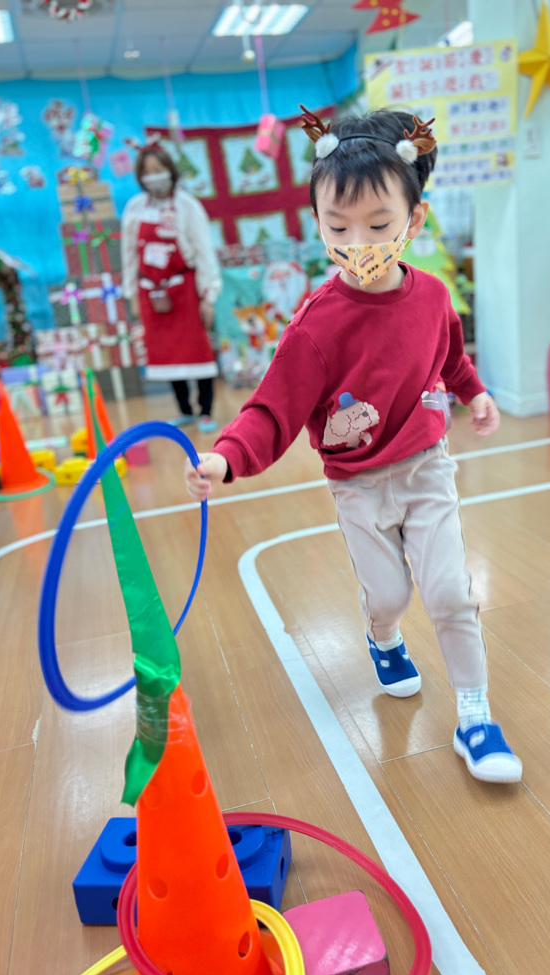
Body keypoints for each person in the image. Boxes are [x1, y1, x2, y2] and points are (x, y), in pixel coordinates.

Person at [184, 107, 522, 784]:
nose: (357, 242)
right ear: (317, 222)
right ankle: (382, 636)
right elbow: (273, 409)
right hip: (358, 483)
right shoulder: (315, 325)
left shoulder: (433, 298)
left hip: (427, 467)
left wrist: (476, 392)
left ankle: (476, 716)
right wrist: (226, 455)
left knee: (451, 593)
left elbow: (449, 358)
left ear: (414, 219)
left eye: (377, 225)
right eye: (338, 228)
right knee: (389, 595)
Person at [122, 143, 222, 432]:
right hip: (150, 291)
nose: (154, 176)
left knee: (196, 350)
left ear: (170, 170)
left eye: (159, 169)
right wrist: (132, 293)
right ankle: (184, 409)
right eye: (147, 172)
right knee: (166, 352)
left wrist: (208, 295)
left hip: (184, 289)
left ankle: (205, 410)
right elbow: (129, 254)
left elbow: (204, 253)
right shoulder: (135, 208)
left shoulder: (188, 207)